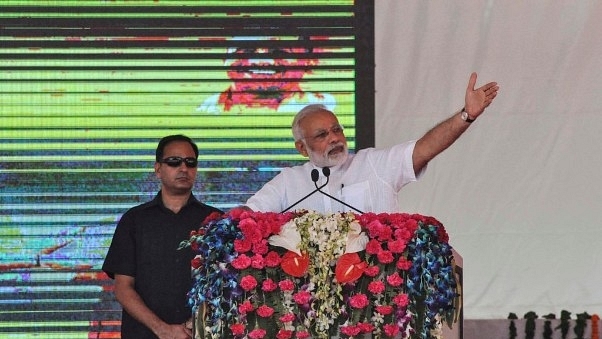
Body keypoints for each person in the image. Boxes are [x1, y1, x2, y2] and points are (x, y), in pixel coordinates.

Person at [245, 72, 499, 213]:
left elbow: (425, 148)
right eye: (322, 135)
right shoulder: (289, 183)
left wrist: (466, 115)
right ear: (302, 148)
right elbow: (247, 217)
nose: (334, 138)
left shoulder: (374, 164)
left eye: (337, 130)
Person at [102, 135, 222, 339]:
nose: (183, 168)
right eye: (174, 161)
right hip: (144, 333)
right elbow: (123, 288)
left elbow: (225, 284)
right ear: (158, 169)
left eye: (190, 163)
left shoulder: (216, 221)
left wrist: (196, 323)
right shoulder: (134, 220)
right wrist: (162, 329)